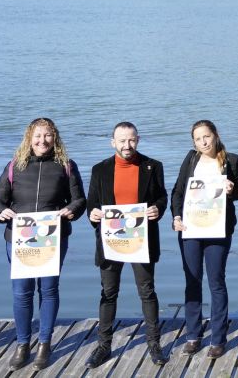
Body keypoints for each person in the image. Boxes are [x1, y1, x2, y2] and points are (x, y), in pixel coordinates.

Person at [0, 117, 86, 370]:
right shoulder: (15, 166)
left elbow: (79, 200)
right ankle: (22, 344)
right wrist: (0, 212)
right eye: (37, 136)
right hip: (19, 239)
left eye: (48, 135)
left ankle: (45, 343)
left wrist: (70, 211)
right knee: (22, 293)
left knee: (48, 289)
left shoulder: (65, 165)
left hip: (53, 238)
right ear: (29, 138)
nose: (42, 141)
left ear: (55, 138)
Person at [84, 122, 168, 368]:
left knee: (147, 290)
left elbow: (162, 196)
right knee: (108, 292)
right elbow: (92, 203)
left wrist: (158, 209)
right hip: (111, 241)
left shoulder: (153, 166)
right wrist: (93, 214)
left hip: (141, 239)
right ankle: (104, 346)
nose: (126, 145)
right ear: (113, 142)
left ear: (138, 140)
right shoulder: (100, 169)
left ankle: (154, 344)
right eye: (121, 141)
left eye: (131, 140)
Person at [170, 120, 238, 359]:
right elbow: (178, 191)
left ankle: (218, 338)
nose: (203, 142)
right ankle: (193, 335)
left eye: (207, 136)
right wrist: (176, 216)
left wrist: (231, 190)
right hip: (190, 229)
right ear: (194, 142)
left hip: (218, 230)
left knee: (216, 281)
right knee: (192, 280)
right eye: (198, 139)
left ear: (215, 135)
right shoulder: (191, 159)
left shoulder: (231, 159)